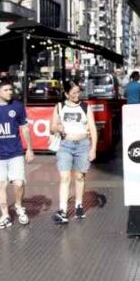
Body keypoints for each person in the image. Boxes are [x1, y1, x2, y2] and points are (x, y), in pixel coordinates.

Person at [0, 80, 34, 228]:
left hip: (16, 152)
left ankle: (18, 206)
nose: (10, 92)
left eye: (11, 89)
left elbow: (24, 128)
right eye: (6, 90)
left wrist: (29, 148)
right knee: (1, 186)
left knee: (18, 183)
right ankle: (5, 215)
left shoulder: (17, 106)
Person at [49, 81, 98, 223]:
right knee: (65, 177)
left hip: (83, 145)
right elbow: (51, 128)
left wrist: (93, 148)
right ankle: (63, 210)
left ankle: (78, 205)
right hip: (65, 145)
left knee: (80, 177)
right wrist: (57, 128)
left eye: (78, 92)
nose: (77, 95)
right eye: (74, 93)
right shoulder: (59, 107)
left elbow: (93, 128)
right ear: (66, 94)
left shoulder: (85, 107)